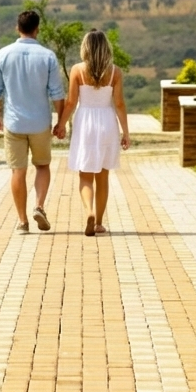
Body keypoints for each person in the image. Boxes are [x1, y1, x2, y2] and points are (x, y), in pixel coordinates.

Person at [0, 9, 66, 234]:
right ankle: (39, 206)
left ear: (17, 28)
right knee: (42, 165)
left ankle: (22, 222)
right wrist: (60, 122)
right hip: (40, 122)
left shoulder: (3, 54)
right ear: (37, 29)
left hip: (14, 123)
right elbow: (57, 94)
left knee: (17, 171)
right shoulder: (48, 56)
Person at [55, 29, 130, 237]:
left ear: (85, 48)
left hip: (85, 122)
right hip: (107, 121)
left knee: (85, 175)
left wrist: (61, 124)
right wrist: (126, 132)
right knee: (103, 176)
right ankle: (98, 222)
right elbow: (120, 104)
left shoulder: (78, 70)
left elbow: (70, 102)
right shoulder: (115, 72)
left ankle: (88, 211)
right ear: (106, 48)